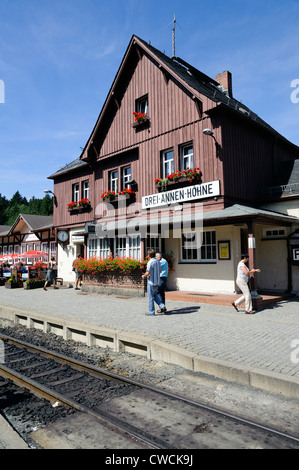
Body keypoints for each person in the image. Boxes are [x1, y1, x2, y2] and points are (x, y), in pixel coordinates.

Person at [142, 249, 166, 316]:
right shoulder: (158, 262)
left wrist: (144, 276)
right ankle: (162, 306)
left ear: (148, 255)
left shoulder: (150, 262)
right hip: (157, 281)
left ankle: (151, 312)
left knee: (151, 297)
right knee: (155, 295)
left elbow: (148, 272)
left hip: (151, 282)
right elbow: (160, 271)